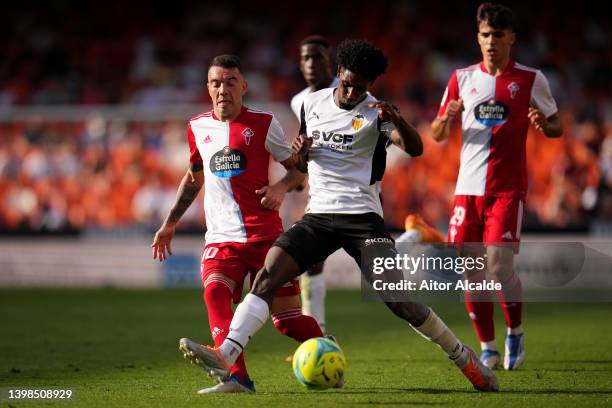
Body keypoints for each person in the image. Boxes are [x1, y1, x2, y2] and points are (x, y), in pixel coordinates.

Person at [181, 39, 499, 392]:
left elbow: (416, 147)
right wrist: (301, 152)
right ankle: (228, 353)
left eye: (359, 87)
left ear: (369, 86)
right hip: (318, 217)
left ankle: (463, 357)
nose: (350, 92)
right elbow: (302, 163)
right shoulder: (312, 103)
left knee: (399, 301)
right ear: (338, 74)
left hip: (361, 220)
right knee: (268, 276)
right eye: (347, 83)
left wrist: (400, 122)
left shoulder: (376, 114)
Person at [151, 54, 323, 394]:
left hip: (266, 237)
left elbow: (299, 172)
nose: (223, 89)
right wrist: (170, 222)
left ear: (243, 87)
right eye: (216, 82)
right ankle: (237, 377)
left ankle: (327, 349)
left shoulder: (263, 123)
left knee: (287, 323)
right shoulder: (197, 127)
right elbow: (193, 178)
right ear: (208, 88)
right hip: (221, 237)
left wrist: (279, 187)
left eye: (231, 82)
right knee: (215, 291)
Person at [431, 3, 562, 371]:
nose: (491, 42)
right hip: (466, 190)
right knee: (472, 269)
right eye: (485, 35)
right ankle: (487, 346)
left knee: (498, 264)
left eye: (498, 36)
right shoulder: (461, 78)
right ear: (478, 37)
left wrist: (542, 124)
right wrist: (448, 117)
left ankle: (515, 331)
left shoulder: (532, 79)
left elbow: (557, 126)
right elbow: (437, 134)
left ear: (511, 39)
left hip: (506, 189)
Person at [289, 35, 340, 334]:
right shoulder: (299, 101)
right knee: (311, 261)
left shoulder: (345, 90)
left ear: (329, 60)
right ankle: (316, 334)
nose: (311, 64)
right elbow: (307, 143)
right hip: (322, 193)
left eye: (317, 57)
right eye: (306, 58)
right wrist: (299, 168)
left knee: (380, 269)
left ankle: (413, 235)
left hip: (356, 190)